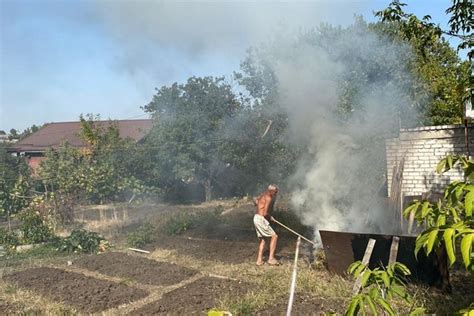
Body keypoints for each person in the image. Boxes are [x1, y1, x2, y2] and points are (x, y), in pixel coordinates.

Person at [253, 184, 279, 266]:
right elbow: (265, 213)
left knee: (263, 239)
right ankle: (271, 259)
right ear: (271, 191)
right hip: (261, 219)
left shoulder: (262, 195)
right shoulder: (269, 197)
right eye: (275, 192)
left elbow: (255, 201)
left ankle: (259, 261)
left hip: (256, 218)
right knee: (274, 236)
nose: (275, 194)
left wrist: (259, 205)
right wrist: (270, 217)